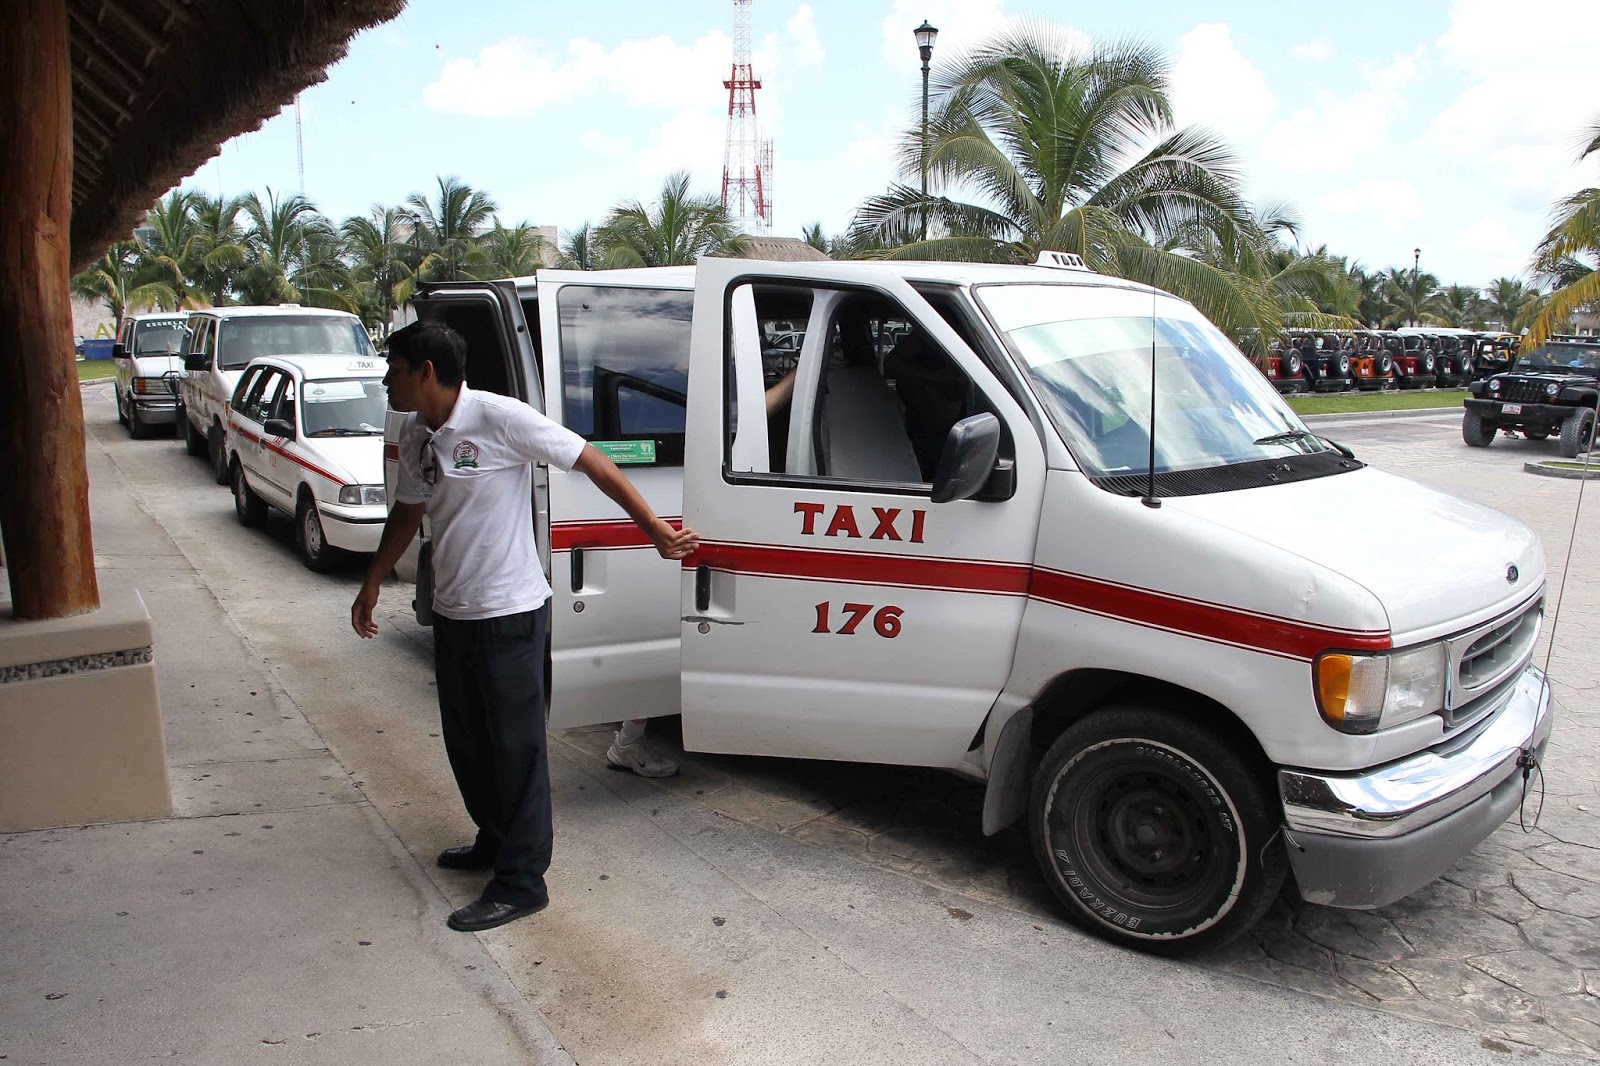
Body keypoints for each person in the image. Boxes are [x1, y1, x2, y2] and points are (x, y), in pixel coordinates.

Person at [351, 320, 696, 933]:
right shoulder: (414, 430)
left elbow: (590, 458)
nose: (386, 379)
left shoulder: (498, 418)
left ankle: (522, 881)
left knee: (517, 751)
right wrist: (374, 578)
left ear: (425, 372)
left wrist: (654, 529)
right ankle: (496, 840)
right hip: (454, 613)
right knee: (468, 743)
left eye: (393, 368)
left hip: (509, 613)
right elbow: (409, 508)